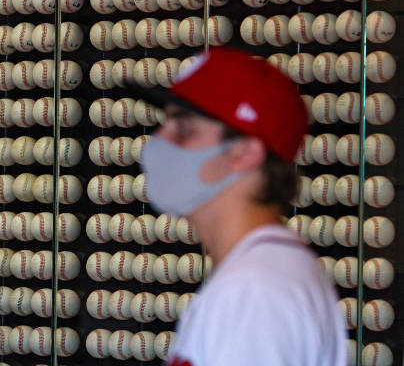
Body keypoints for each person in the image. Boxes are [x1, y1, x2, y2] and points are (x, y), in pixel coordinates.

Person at [136, 47, 347, 365]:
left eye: (183, 129)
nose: (160, 140)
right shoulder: (259, 276)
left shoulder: (253, 293)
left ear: (244, 153)